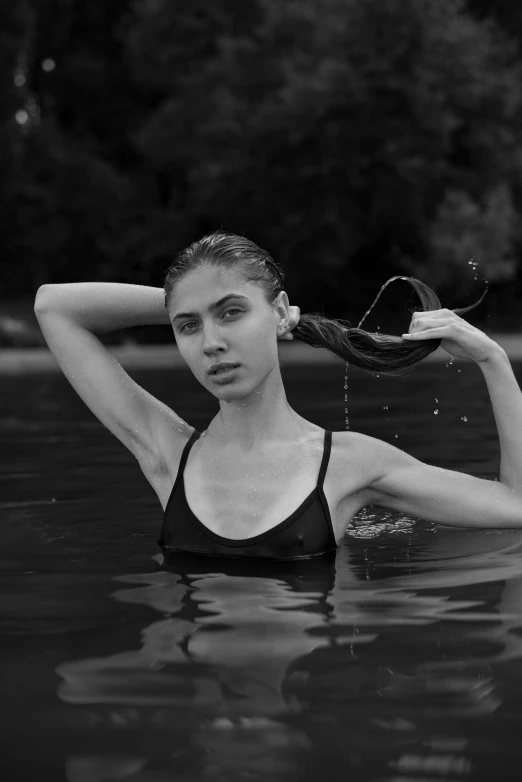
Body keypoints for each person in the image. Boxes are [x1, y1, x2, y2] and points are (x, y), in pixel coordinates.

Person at [34, 232, 522, 560]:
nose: (211, 344)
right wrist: (187, 300)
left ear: (282, 313)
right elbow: (53, 307)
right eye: (189, 327)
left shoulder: (347, 463)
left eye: (230, 314)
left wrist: (493, 361)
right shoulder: (166, 452)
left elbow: (514, 507)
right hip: (192, 707)